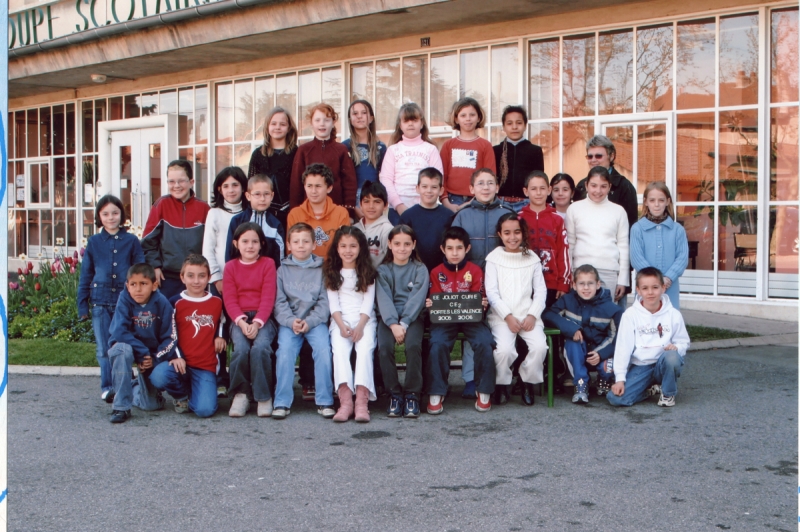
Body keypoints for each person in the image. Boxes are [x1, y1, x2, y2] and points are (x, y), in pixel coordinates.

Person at [451, 168, 513, 398]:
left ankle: (501, 380)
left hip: (502, 282)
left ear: (497, 187)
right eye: (480, 183)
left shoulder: (507, 212)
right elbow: (454, 250)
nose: (485, 187)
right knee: (472, 328)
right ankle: (469, 377)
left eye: (490, 183)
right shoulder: (463, 215)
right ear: (471, 189)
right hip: (471, 282)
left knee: (501, 331)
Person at [78, 194, 145, 404]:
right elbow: (86, 274)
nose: (111, 217)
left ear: (121, 215)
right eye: (105, 214)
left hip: (124, 302)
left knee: (123, 344)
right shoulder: (94, 242)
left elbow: (140, 270)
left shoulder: (131, 241)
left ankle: (127, 382)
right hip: (100, 302)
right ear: (99, 216)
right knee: (103, 348)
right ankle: (109, 387)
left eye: (115, 213)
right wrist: (82, 305)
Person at [425, 227, 496, 414]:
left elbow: (480, 295)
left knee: (484, 341)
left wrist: (482, 303)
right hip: (445, 320)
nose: (454, 253)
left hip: (472, 318)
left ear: (467, 248)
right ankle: (437, 391)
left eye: (459, 248)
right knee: (437, 342)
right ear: (443, 249)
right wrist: (431, 303)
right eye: (450, 248)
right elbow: (436, 298)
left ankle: (483, 389)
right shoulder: (436, 272)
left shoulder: (475, 270)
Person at [150, 255, 225, 418]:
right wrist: (176, 356)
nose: (196, 281)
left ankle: (197, 391)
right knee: (159, 376)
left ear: (209, 278)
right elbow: (168, 333)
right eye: (190, 276)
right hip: (180, 363)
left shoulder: (217, 301)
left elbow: (223, 322)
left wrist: (220, 337)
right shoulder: (174, 302)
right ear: (182, 277)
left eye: (201, 276)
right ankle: (181, 396)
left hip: (205, 366)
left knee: (204, 410)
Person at [485, 213, 548, 406]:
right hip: (502, 317)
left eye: (517, 232)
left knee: (539, 347)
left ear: (523, 234)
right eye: (507, 233)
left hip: (528, 315)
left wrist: (532, 315)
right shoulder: (494, 259)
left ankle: (526, 381)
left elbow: (540, 291)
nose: (512, 237)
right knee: (503, 351)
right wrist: (508, 316)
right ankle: (502, 384)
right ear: (500, 234)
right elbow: (492, 293)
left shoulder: (532, 259)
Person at [273, 223, 333, 419]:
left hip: (315, 322)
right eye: (296, 242)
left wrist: (311, 321)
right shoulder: (281, 271)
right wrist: (291, 322)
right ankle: (282, 402)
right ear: (289, 245)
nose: (301, 245)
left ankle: (325, 400)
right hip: (290, 323)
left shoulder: (322, 269)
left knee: (324, 350)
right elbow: (279, 303)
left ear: (314, 244)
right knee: (285, 352)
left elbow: (325, 302)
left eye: (306, 241)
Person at [607, 267, 690, 407]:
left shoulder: (673, 314)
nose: (650, 292)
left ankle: (668, 393)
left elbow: (684, 342)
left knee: (672, 357)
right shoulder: (630, 314)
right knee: (616, 398)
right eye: (645, 288)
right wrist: (620, 379)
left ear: (663, 288)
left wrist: (677, 348)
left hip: (663, 363)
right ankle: (648, 390)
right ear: (638, 290)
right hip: (641, 366)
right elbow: (623, 348)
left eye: (655, 287)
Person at [542, 264, 623, 404]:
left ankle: (604, 379)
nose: (586, 288)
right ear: (574, 285)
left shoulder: (612, 309)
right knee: (572, 341)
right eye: (581, 284)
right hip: (579, 352)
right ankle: (581, 383)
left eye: (590, 283)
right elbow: (548, 314)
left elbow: (618, 337)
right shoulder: (567, 300)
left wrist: (601, 353)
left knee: (607, 369)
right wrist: (571, 328)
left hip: (600, 352)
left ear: (598, 284)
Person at [106, 263, 176, 423]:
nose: (138, 289)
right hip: (129, 348)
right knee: (122, 351)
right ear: (127, 286)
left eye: (143, 284)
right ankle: (121, 407)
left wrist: (153, 358)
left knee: (151, 405)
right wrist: (142, 351)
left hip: (149, 355)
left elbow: (170, 337)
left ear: (154, 285)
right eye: (133, 284)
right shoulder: (124, 299)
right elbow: (119, 332)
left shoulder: (162, 303)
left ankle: (127, 387)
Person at [223, 223, 279, 418]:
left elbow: (268, 296)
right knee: (240, 349)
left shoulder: (268, 264)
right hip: (239, 318)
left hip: (263, 317)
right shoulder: (230, 267)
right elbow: (229, 299)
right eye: (245, 241)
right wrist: (242, 322)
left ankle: (263, 396)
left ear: (262, 244)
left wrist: (257, 323)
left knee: (261, 347)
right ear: (236, 243)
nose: (250, 246)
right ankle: (241, 394)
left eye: (255, 241)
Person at [324, 226, 377, 423]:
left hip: (364, 321)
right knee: (340, 351)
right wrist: (341, 324)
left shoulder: (367, 271)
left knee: (364, 351)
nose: (348, 250)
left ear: (360, 248)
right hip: (340, 321)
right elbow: (333, 303)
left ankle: (362, 402)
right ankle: (345, 401)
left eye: (353, 246)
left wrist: (361, 326)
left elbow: (368, 301)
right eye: (343, 246)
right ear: (337, 249)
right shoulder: (332, 271)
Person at [203, 166, 248, 397]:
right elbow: (208, 249)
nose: (231, 190)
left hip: (244, 280)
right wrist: (216, 278)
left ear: (243, 187)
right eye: (226, 185)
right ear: (219, 189)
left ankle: (244, 376)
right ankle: (220, 377)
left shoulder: (249, 213)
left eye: (235, 185)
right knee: (219, 328)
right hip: (219, 280)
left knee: (240, 328)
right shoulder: (215, 214)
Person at [376, 225, 428, 418]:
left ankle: (412, 393)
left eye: (407, 244)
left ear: (413, 245)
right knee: (384, 348)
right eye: (397, 244)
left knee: (413, 346)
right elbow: (383, 298)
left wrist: (404, 323)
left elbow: (417, 298)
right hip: (388, 319)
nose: (402, 248)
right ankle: (394, 393)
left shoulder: (419, 269)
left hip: (412, 318)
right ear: (389, 244)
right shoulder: (382, 270)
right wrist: (393, 324)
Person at [141, 159, 210, 300]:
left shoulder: (204, 208)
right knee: (168, 318)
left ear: (191, 182)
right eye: (171, 181)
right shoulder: (161, 205)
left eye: (181, 181)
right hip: (168, 278)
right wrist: (155, 266)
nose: (176, 186)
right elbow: (148, 241)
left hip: (196, 279)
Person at [566, 165, 630, 309]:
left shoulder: (618, 211)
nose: (598, 191)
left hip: (609, 272)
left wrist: (622, 280)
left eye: (603, 186)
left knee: (606, 315)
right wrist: (569, 273)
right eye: (594, 185)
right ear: (586, 185)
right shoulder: (574, 209)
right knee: (580, 313)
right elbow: (569, 244)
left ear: (609, 187)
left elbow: (624, 246)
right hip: (580, 271)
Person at [380, 102, 443, 222]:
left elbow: (438, 178)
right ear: (400, 125)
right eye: (406, 121)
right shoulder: (393, 150)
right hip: (397, 210)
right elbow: (386, 180)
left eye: (414, 120)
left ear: (422, 123)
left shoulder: (430, 149)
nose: (410, 124)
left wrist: (426, 204)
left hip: (426, 207)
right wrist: (399, 205)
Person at [630, 182, 689, 309]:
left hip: (669, 286)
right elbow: (636, 258)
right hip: (646, 287)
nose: (656, 204)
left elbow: (682, 258)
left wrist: (667, 278)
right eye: (652, 200)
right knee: (644, 321)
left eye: (661, 200)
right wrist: (654, 281)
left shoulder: (677, 229)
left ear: (667, 201)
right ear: (645, 202)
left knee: (669, 321)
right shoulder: (637, 228)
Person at [289, 103, 357, 212]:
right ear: (311, 123)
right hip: (308, 212)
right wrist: (295, 212)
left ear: (333, 123)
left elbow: (349, 183)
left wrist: (349, 212)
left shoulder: (341, 150)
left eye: (326, 120)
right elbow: (296, 184)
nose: (322, 124)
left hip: (336, 211)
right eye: (317, 120)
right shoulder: (303, 150)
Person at [519, 171, 571, 305]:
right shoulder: (518, 218)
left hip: (551, 283)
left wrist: (563, 283)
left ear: (549, 190)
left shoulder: (557, 219)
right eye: (533, 189)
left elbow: (563, 253)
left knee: (548, 321)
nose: (538, 193)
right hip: (524, 282)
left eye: (542, 188)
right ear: (526, 191)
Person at [440, 97, 496, 212]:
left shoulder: (485, 145)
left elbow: (490, 176)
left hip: (477, 199)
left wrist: (477, 199)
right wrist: (445, 201)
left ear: (479, 117)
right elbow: (442, 176)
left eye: (472, 115)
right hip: (451, 200)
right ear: (456, 119)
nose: (468, 119)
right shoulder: (448, 145)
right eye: (463, 115)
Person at [247, 106, 299, 228]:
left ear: (289, 127)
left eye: (282, 124)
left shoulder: (297, 153)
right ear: (267, 127)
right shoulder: (258, 155)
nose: (277, 127)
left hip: (290, 213)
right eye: (273, 123)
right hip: (264, 214)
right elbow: (251, 185)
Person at [287, 163, 350, 259]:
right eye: (309, 186)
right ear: (304, 187)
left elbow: (345, 247)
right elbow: (290, 249)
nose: (313, 191)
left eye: (318, 186)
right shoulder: (295, 214)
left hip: (332, 269)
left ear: (329, 188)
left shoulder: (341, 213)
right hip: (305, 269)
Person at [574, 135, 638, 229]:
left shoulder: (624, 186)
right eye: (590, 156)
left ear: (611, 156)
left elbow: (630, 225)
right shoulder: (581, 186)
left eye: (598, 156)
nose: (593, 160)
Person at [398, 167, 454, 274]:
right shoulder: (408, 216)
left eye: (434, 187)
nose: (429, 191)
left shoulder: (449, 216)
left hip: (442, 271)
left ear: (441, 190)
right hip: (413, 271)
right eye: (424, 186)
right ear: (417, 188)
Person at [225, 173, 284, 269]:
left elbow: (280, 255)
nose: (262, 199)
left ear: (272, 196)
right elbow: (230, 252)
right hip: (241, 277)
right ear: (248, 196)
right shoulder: (237, 221)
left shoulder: (275, 224)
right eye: (257, 194)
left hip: (267, 278)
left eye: (266, 194)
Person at [493, 105, 544, 212]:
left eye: (519, 123)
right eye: (509, 123)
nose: (514, 127)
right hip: (500, 202)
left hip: (526, 203)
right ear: (503, 127)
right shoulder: (495, 150)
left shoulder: (535, 151)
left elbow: (538, 179)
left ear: (525, 125)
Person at [343, 100, 387, 218]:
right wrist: (353, 206)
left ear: (371, 118)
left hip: (375, 199)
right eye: (355, 113)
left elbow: (384, 178)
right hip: (353, 201)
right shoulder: (344, 147)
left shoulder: (381, 147)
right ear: (350, 119)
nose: (359, 116)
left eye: (363, 113)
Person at [354, 180, 394, 268]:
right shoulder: (354, 229)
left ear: (385, 205)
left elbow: (391, 262)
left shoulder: (387, 229)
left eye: (377, 202)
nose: (371, 206)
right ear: (360, 204)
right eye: (366, 201)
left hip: (378, 278)